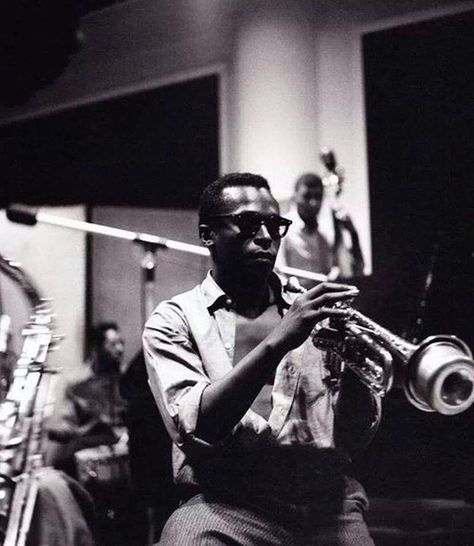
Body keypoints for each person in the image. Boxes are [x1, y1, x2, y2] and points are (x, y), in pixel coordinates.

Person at [143, 173, 380, 545]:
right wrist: (278, 341)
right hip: (225, 504)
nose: (267, 237)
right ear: (208, 235)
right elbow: (199, 427)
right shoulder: (174, 321)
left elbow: (354, 433)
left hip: (326, 502)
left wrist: (356, 374)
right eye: (249, 223)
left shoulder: (317, 309)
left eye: (275, 225)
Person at [47, 321, 128, 478]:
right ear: (96, 348)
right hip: (92, 441)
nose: (120, 349)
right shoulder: (77, 382)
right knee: (61, 460)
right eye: (113, 344)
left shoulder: (129, 378)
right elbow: (68, 423)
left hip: (126, 442)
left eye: (121, 343)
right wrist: (54, 430)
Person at [279, 173, 365, 287]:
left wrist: (353, 233)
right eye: (307, 196)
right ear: (295, 197)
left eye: (318, 196)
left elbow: (352, 271)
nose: (313, 203)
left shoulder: (325, 234)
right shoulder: (283, 228)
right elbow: (279, 274)